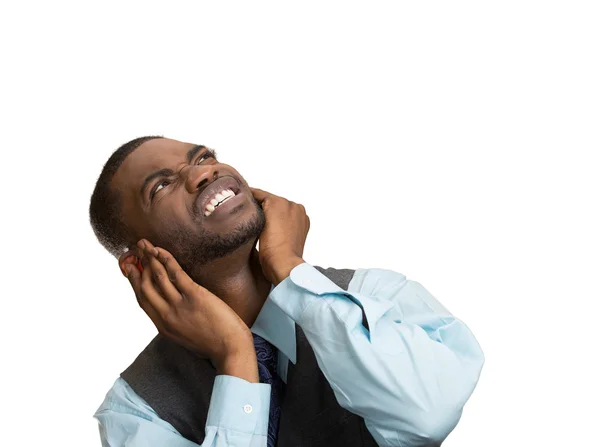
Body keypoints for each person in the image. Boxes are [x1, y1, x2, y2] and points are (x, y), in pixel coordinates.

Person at [89, 136, 485, 447]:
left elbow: (425, 418)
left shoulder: (376, 294)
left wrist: (289, 269)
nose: (202, 174)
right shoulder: (136, 412)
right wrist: (236, 355)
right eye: (161, 186)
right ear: (137, 263)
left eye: (203, 157)